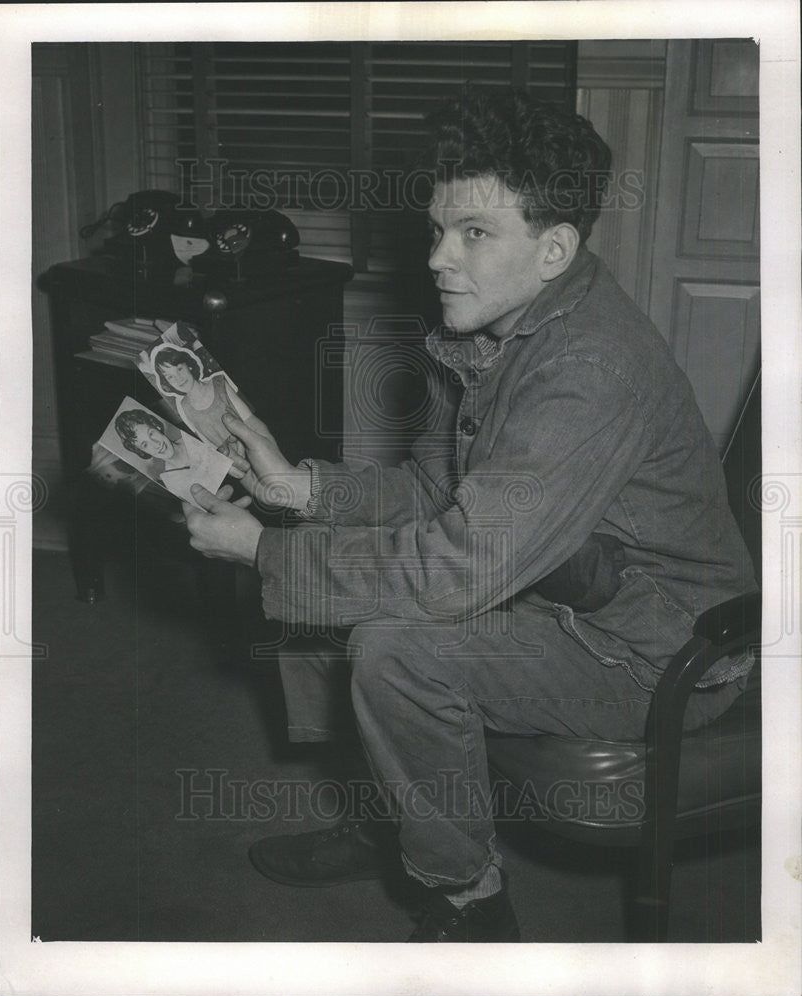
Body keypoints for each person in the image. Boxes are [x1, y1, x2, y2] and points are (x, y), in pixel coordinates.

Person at [181, 89, 757, 942]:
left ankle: (469, 901)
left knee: (395, 646)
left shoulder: (589, 370)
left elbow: (455, 568)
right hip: (558, 585)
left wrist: (263, 553)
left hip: (658, 649)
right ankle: (399, 807)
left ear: (554, 249)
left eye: (475, 235)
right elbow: (431, 495)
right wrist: (289, 488)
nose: (440, 259)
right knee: (327, 544)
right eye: (438, 231)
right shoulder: (496, 330)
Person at [151, 345, 251, 458]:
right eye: (170, 377)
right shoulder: (183, 407)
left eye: (179, 369)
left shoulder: (219, 382)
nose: (178, 378)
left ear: (188, 365)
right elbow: (209, 445)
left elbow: (250, 421)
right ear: (167, 383)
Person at [114, 407, 229, 504]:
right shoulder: (171, 482)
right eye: (145, 444)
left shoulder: (190, 434)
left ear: (156, 427)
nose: (156, 444)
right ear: (142, 452)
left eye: (151, 433)